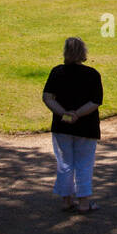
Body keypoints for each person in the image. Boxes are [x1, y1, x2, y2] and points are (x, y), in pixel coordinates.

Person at [43, 37, 103, 213]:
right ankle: (84, 202)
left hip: (62, 126)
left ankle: (66, 200)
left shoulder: (57, 72)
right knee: (84, 163)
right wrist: (77, 114)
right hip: (87, 126)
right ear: (83, 53)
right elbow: (95, 102)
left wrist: (63, 113)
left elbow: (47, 97)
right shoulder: (92, 74)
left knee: (64, 163)